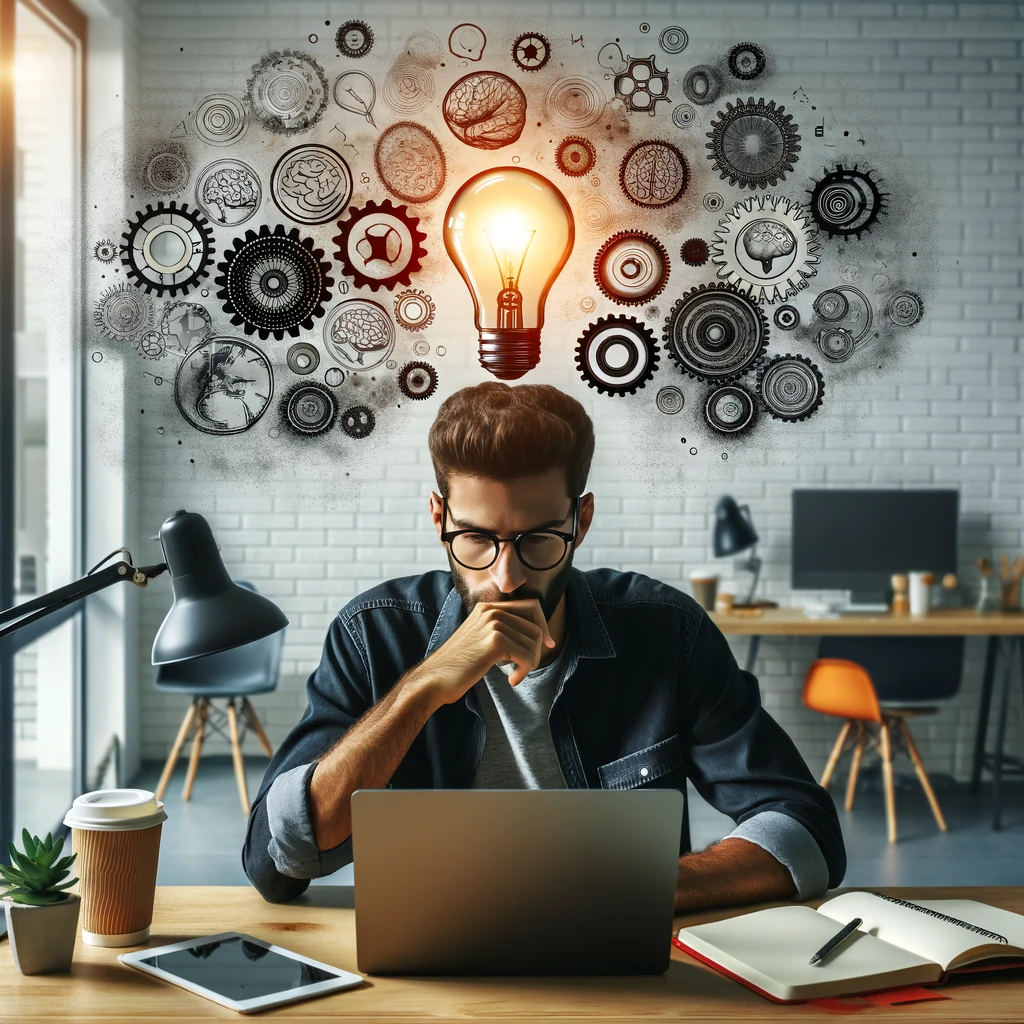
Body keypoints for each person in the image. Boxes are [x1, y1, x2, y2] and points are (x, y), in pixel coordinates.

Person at [242, 382, 845, 906]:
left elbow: (804, 831)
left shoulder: (668, 633)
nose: (506, 577)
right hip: (429, 972)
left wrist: (637, 893)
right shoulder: (373, 633)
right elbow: (278, 861)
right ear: (438, 517)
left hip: (621, 974)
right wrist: (422, 689)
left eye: (538, 540)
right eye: (476, 539)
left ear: (579, 522)